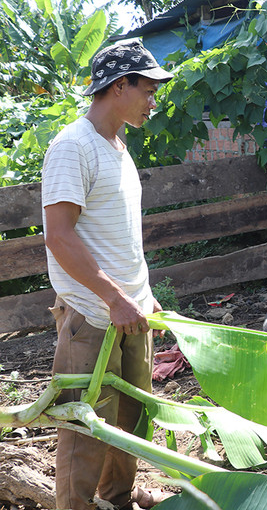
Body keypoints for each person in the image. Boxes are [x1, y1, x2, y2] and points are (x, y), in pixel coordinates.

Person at [42, 40, 173, 510]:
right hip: (93, 315)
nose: (153, 101)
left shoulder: (117, 146)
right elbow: (59, 236)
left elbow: (119, 235)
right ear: (120, 86)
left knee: (132, 418)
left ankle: (117, 500)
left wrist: (142, 292)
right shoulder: (72, 146)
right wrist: (115, 297)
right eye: (148, 90)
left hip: (130, 311)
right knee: (85, 428)